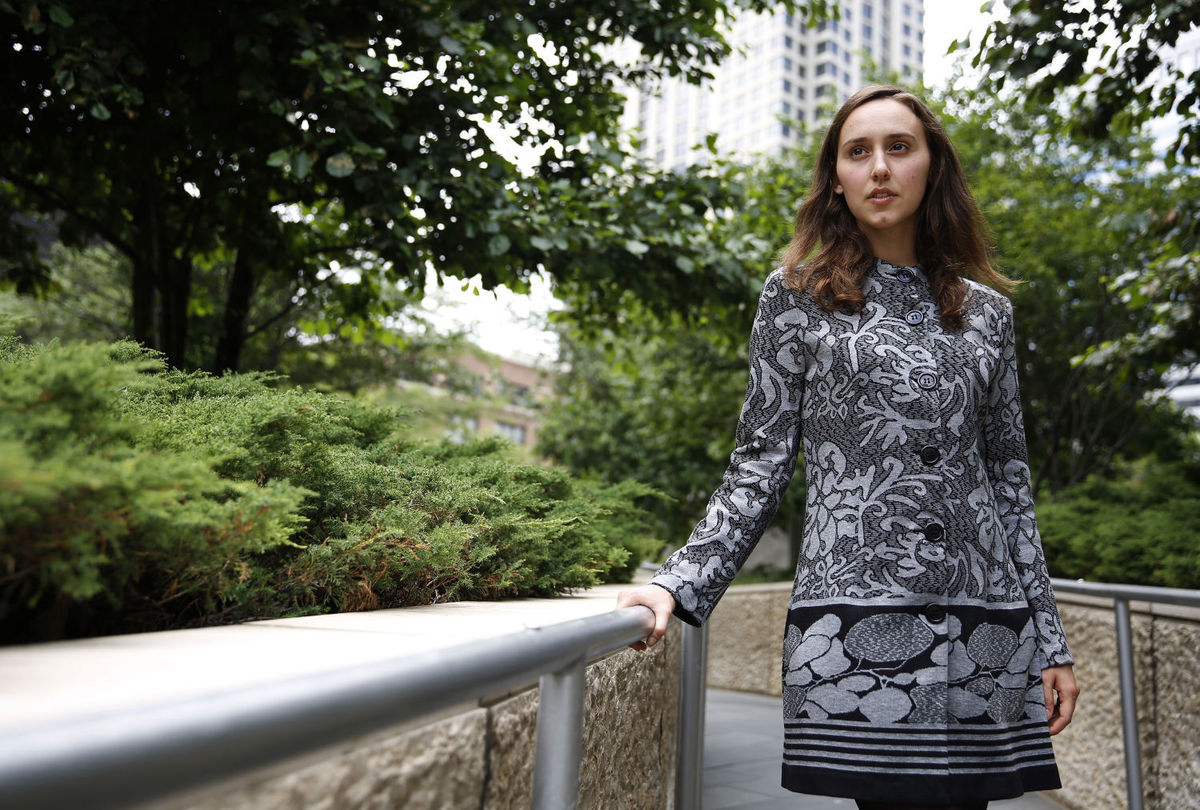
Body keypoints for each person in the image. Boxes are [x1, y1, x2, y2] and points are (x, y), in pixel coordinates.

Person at [617, 85, 1079, 810]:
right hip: (859, 617)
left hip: (986, 625)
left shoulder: (988, 314)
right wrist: (677, 581)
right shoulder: (795, 299)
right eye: (857, 152)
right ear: (836, 177)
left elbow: (1009, 484)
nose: (880, 168)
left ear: (932, 166)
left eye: (900, 147)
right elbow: (760, 462)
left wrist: (1051, 643)